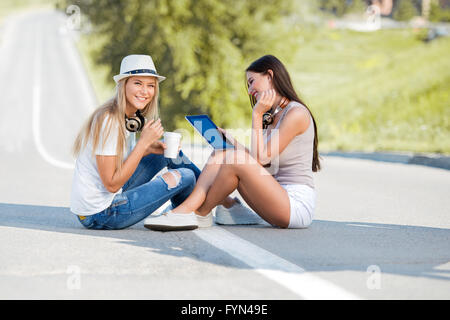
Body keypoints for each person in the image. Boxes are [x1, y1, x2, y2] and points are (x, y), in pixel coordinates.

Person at [144, 54, 321, 231]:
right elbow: (260, 160)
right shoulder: (274, 114)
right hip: (274, 195)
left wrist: (257, 115)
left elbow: (261, 160)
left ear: (269, 76)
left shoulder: (296, 114)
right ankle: (197, 209)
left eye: (252, 81)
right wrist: (233, 142)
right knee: (222, 151)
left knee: (233, 158)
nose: (250, 90)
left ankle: (199, 213)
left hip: (295, 205)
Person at [70, 54, 211, 230]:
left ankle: (206, 201)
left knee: (166, 152)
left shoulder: (126, 117)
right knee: (186, 176)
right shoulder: (109, 121)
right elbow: (111, 184)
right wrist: (142, 144)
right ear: (123, 85)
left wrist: (148, 149)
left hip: (107, 202)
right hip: (101, 214)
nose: (145, 91)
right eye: (138, 83)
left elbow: (119, 168)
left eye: (150, 85)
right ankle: (190, 209)